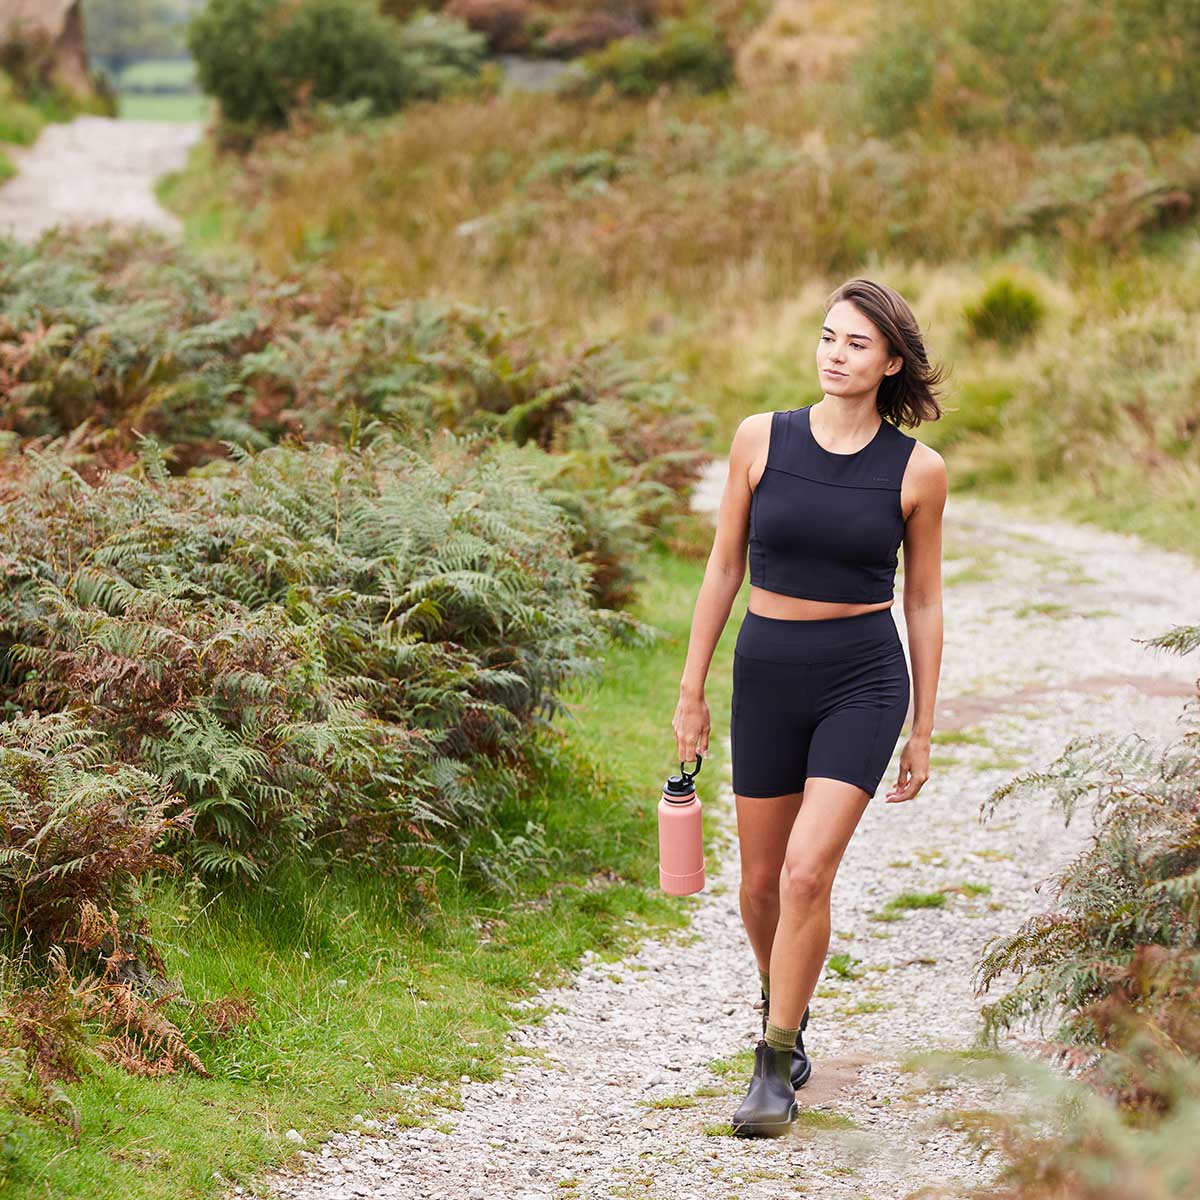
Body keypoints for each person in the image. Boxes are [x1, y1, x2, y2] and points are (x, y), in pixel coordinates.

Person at [671, 278, 947, 1137]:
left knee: (804, 872)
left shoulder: (918, 471)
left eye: (857, 344)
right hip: (767, 670)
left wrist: (924, 727)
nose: (836, 354)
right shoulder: (761, 439)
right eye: (829, 337)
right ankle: (778, 989)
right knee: (759, 884)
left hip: (863, 676)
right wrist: (691, 691)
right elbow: (723, 569)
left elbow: (926, 604)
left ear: (890, 362)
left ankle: (773, 1060)